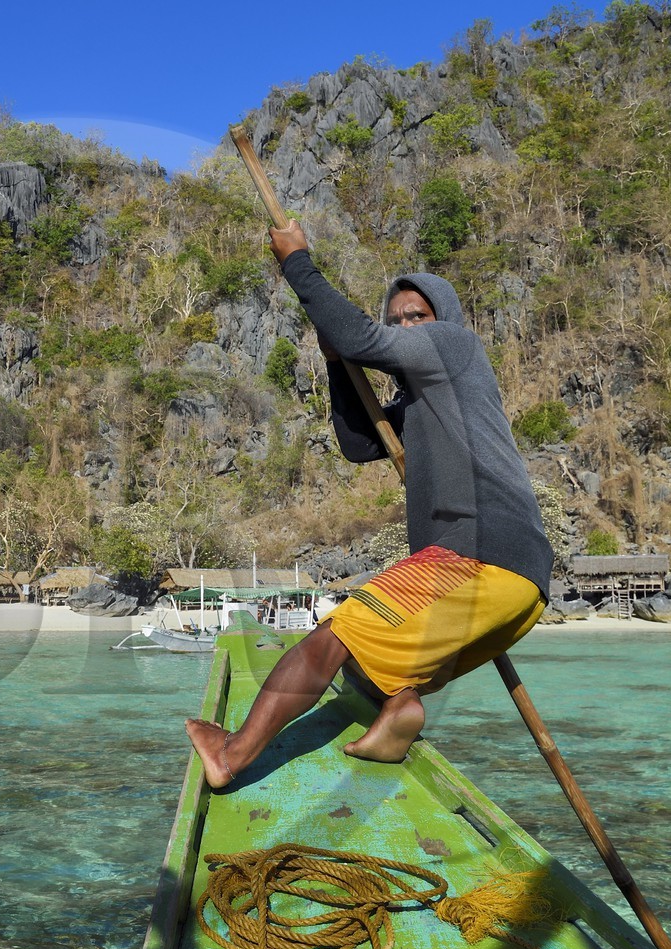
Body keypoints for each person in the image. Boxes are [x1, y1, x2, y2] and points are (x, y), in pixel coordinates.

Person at [185, 219, 553, 784]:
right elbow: (360, 444)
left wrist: (296, 261)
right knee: (362, 668)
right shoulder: (423, 403)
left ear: (440, 322)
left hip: (477, 552)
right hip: (519, 581)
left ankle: (233, 753)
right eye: (397, 318)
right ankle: (396, 715)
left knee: (333, 636)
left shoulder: (456, 346)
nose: (406, 325)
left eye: (417, 317)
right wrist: (337, 365)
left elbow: (362, 338)